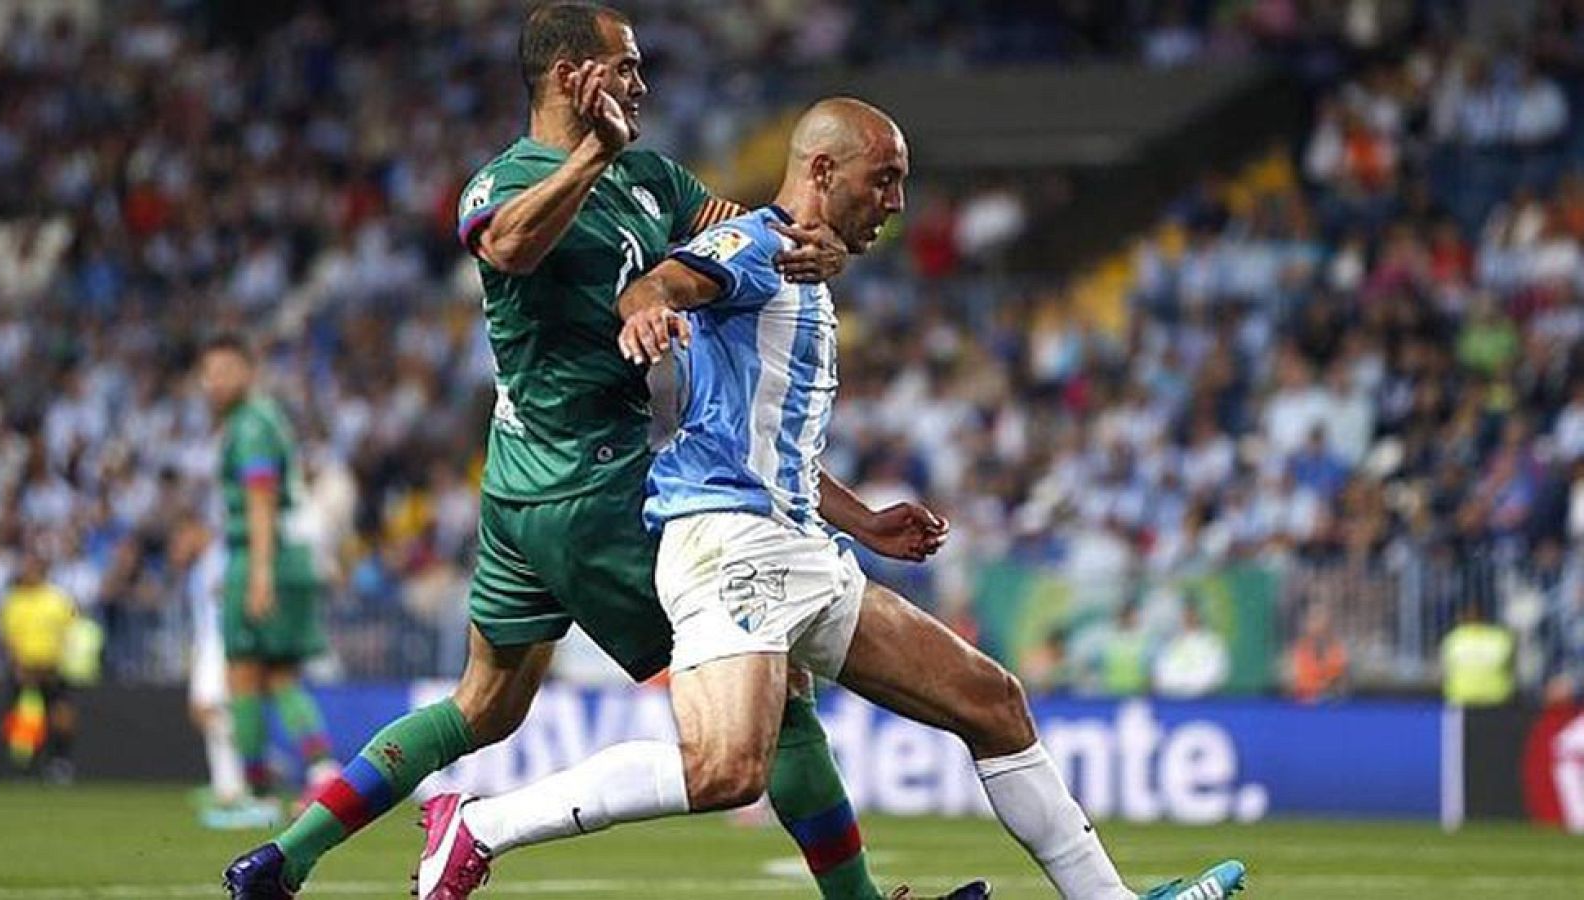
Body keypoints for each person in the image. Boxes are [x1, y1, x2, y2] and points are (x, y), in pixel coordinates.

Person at [226, 6, 981, 900]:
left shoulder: (653, 178)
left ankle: (284, 858)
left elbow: (760, 234)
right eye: (624, 67)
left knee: (486, 707)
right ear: (571, 76)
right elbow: (509, 248)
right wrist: (593, 154)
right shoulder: (501, 181)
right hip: (591, 487)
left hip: (527, 492)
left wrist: (819, 245)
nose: (641, 84)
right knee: (774, 702)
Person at [413, 98, 1245, 900]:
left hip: (799, 545)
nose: (897, 202)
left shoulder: (800, 262)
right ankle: (484, 825)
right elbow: (659, 287)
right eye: (883, 179)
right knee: (725, 770)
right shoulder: (751, 247)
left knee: (993, 703)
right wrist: (646, 313)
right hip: (729, 546)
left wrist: (866, 521)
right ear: (821, 169)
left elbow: (768, 437)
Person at [199, 334, 340, 811]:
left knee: (242, 672)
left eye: (223, 371)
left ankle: (254, 790)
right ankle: (320, 773)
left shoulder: (250, 425)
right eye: (207, 374)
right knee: (281, 676)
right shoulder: (263, 419)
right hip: (288, 555)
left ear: (247, 371)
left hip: (267, 555)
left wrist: (257, 573)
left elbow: (260, 499)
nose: (212, 383)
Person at [173, 519, 282, 828]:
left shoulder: (224, 557)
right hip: (209, 640)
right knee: (208, 713)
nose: (177, 550)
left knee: (217, 710)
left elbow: (238, 593)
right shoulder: (201, 566)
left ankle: (247, 783)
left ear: (193, 530)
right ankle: (232, 785)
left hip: (226, 639)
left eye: (180, 540)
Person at [0, 551, 78, 782]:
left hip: (51, 668)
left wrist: (59, 659)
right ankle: (25, 766)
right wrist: (18, 664)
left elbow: (70, 630)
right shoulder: (14, 600)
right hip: (24, 670)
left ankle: (60, 762)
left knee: (62, 716)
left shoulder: (57, 599)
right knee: (26, 720)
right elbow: (7, 636)